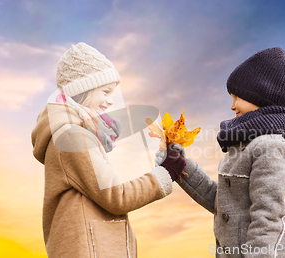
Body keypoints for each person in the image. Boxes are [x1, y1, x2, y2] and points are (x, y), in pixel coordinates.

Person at [31, 42, 186, 258]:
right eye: (105, 91)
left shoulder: (72, 133)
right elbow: (116, 197)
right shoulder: (72, 137)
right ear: (82, 90)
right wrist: (166, 172)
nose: (111, 101)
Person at [161, 47, 285, 257]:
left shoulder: (271, 148)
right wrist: (180, 166)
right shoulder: (243, 147)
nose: (232, 106)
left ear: (260, 96)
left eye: (237, 97)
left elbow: (268, 218)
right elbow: (224, 203)